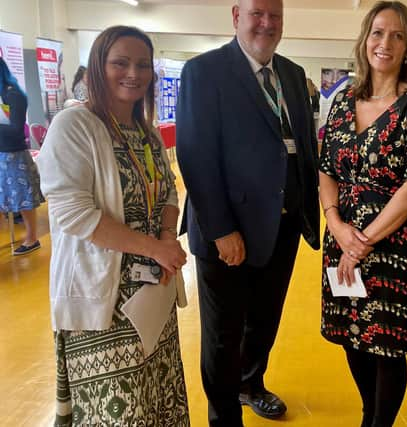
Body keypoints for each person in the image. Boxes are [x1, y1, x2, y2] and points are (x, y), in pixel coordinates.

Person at [176, 0, 320, 424]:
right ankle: (224, 415)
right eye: (257, 14)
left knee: (264, 320)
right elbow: (196, 156)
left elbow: (298, 146)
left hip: (283, 224)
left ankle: (251, 383)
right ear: (236, 16)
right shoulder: (204, 72)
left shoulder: (292, 75)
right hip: (229, 233)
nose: (267, 24)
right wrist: (221, 230)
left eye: (275, 16)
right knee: (223, 335)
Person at [37, 26, 190, 426]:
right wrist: (155, 249)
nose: (133, 73)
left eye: (142, 65)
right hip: (104, 303)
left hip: (152, 295)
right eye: (119, 62)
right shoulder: (75, 126)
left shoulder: (147, 134)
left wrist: (166, 239)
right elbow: (75, 215)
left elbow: (170, 193)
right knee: (120, 412)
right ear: (95, 69)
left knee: (157, 397)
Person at [319, 2, 407, 426]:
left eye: (397, 35)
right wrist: (336, 225)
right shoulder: (342, 103)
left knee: (385, 341)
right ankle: (367, 412)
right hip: (341, 238)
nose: (385, 43)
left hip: (392, 244)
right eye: (377, 32)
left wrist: (362, 242)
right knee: (350, 333)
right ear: (364, 40)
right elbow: (326, 171)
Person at [0, 57, 44, 255]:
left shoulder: (14, 95)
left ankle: (31, 238)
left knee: (23, 199)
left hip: (13, 155)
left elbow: (17, 129)